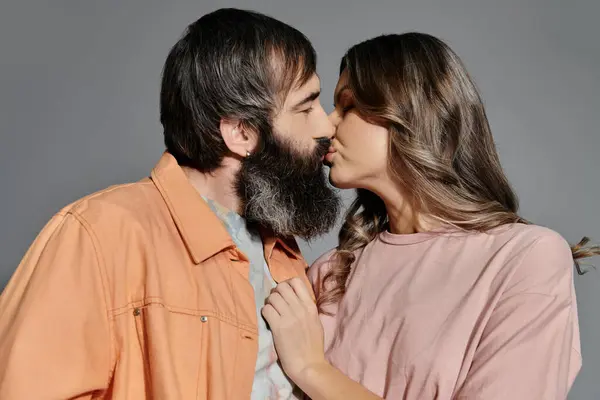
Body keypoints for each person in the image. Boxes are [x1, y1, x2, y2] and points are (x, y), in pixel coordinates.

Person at [0, 8, 340, 399]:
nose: (326, 126)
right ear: (241, 133)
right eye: (305, 107)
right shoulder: (100, 233)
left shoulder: (283, 253)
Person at [263, 32, 600, 400]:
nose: (328, 126)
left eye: (348, 106)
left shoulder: (524, 258)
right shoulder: (331, 273)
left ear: (406, 111)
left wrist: (314, 371)